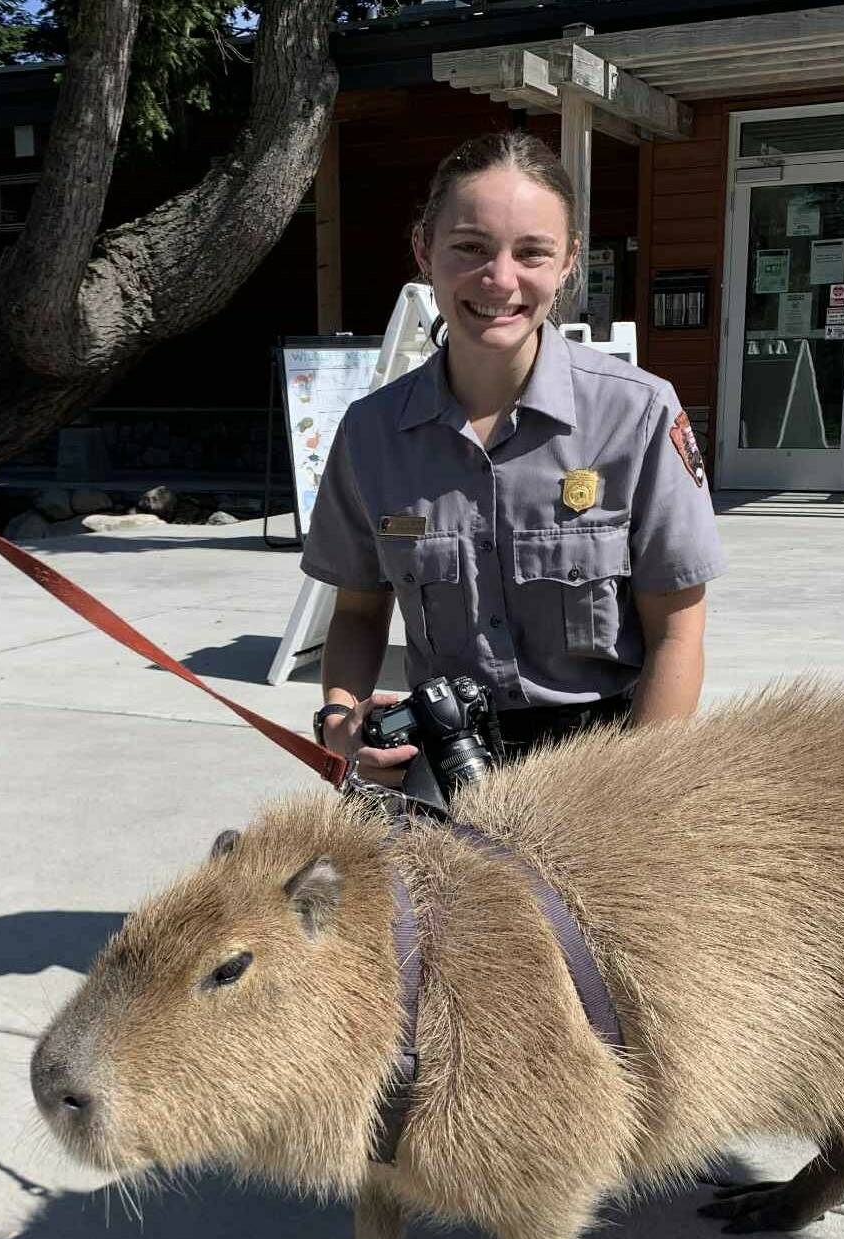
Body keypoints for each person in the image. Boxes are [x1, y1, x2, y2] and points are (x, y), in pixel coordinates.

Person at [302, 131, 725, 785]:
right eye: (469, 248)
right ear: (424, 249)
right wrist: (341, 720)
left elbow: (678, 634)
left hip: (601, 769)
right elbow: (358, 613)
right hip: (443, 766)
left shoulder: (637, 417)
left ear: (567, 263)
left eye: (532, 253)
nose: (499, 279)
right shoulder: (370, 434)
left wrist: (635, 799)